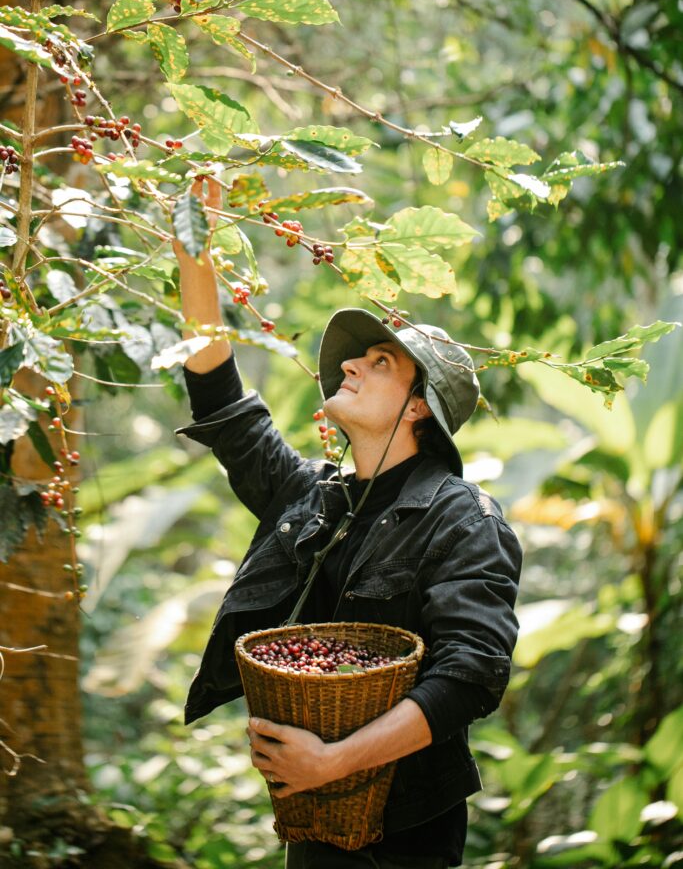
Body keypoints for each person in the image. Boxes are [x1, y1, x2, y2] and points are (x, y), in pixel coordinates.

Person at [173, 179, 523, 869]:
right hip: (310, 812)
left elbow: (472, 675)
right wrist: (195, 244)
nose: (352, 364)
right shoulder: (310, 497)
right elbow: (217, 389)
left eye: (380, 361)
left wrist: (334, 760)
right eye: (356, 357)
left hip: (404, 829)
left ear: (419, 408)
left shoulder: (462, 517)